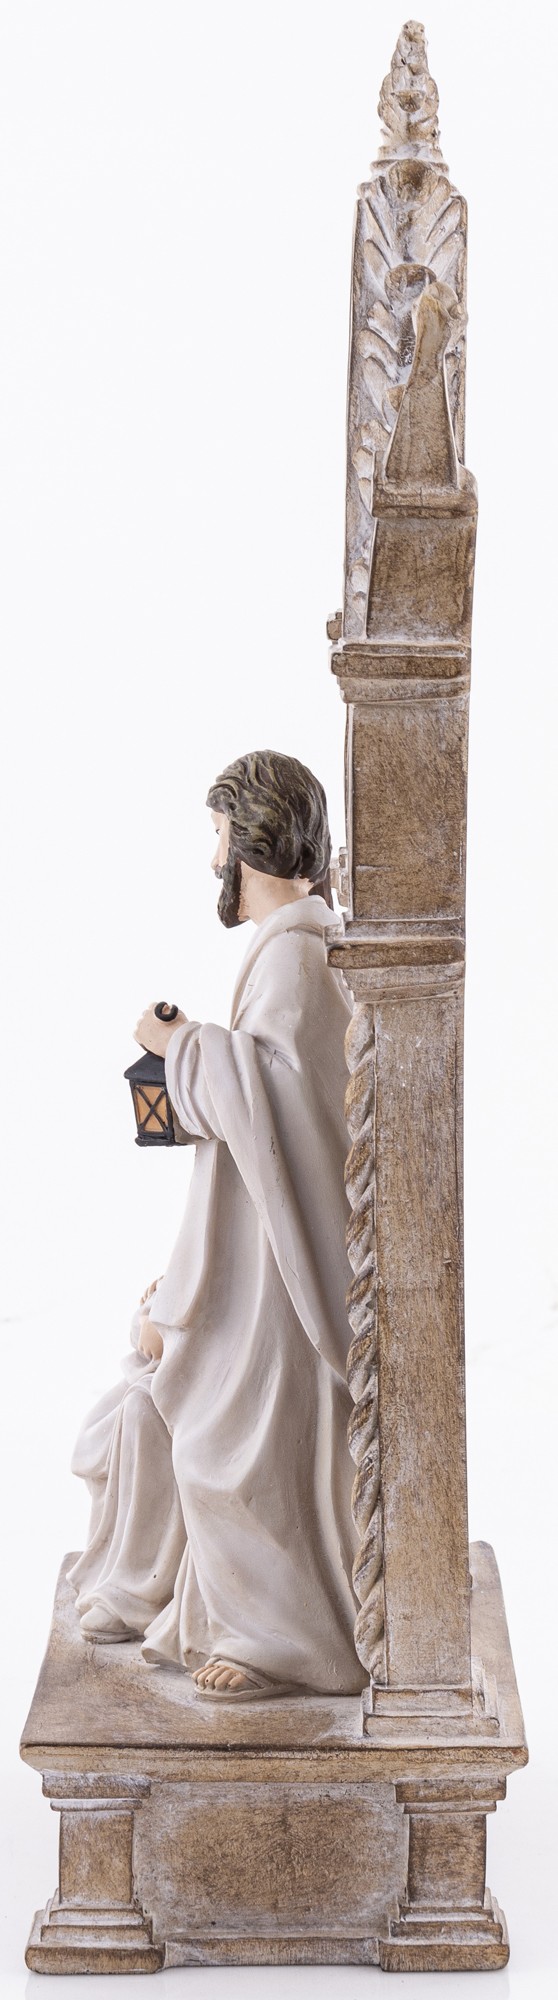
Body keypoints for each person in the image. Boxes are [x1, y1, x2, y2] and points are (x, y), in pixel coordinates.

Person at [69, 750, 365, 1700]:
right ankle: (201, 1604)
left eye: (219, 837)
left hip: (286, 1267)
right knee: (175, 1405)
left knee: (232, 1442)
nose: (212, 861)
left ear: (254, 842)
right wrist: (199, 1052)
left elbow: (277, 1094)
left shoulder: (299, 954)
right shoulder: (291, 945)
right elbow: (259, 1092)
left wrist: (178, 1044)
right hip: (261, 1245)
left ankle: (284, 1640)